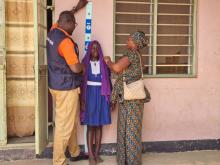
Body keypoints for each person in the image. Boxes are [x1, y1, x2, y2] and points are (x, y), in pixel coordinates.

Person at [46, 1, 88, 164]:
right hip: (66, 88)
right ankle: (59, 161)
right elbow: (75, 68)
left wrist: (76, 9)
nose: (75, 27)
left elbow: (65, 17)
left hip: (55, 85)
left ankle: (75, 152)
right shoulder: (66, 42)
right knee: (64, 125)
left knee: (68, 120)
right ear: (68, 24)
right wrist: (83, 67)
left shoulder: (53, 30)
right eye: (75, 24)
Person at [104, 31, 149, 165]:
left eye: (129, 39)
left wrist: (108, 62)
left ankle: (128, 161)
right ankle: (131, 159)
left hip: (130, 100)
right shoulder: (139, 56)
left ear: (135, 43)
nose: (127, 41)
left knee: (127, 130)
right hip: (136, 99)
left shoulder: (131, 54)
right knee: (133, 130)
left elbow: (117, 68)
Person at [80, 41, 112, 165]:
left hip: (102, 95)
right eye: (92, 48)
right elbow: (81, 83)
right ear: (89, 50)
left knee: (99, 125)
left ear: (99, 50)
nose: (94, 50)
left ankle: (97, 153)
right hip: (89, 96)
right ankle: (91, 156)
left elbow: (108, 80)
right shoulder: (84, 63)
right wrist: (82, 99)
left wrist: (111, 98)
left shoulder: (104, 64)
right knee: (91, 126)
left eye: (96, 48)